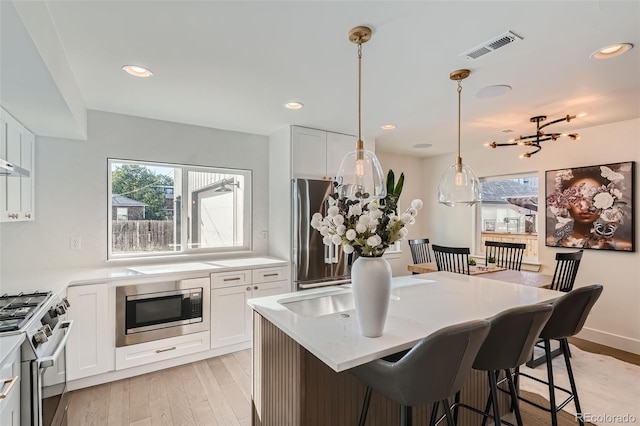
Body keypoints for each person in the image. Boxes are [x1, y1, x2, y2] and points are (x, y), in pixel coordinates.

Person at [547, 166, 632, 250]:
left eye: (593, 198)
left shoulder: (626, 246)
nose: (584, 207)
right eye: (577, 199)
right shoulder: (550, 242)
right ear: (564, 201)